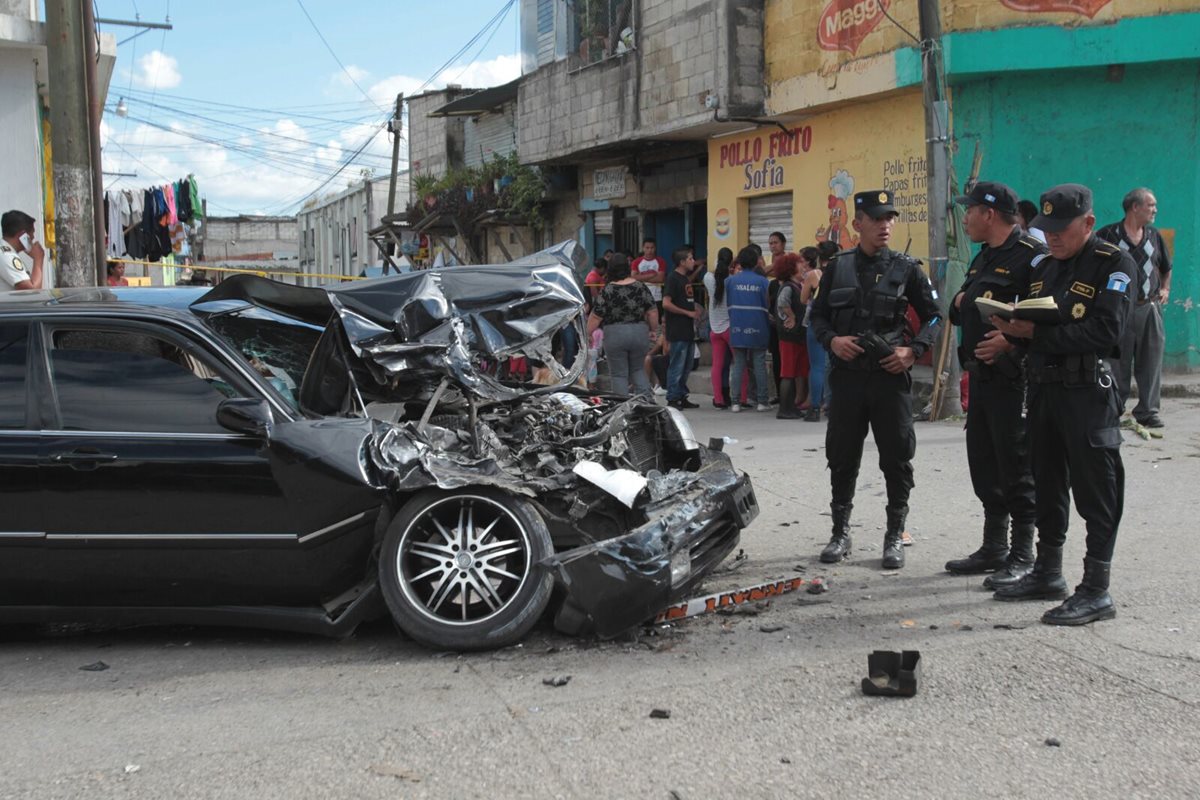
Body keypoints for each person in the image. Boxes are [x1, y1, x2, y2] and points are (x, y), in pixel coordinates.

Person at [990, 183, 1134, 626]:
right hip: (1045, 390)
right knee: (1048, 481)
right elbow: (1037, 323)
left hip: (1088, 392)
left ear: (1088, 223)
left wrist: (1035, 336)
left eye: (1061, 228)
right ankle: (1048, 571)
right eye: (1045, 228)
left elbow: (1106, 332)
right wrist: (1011, 335)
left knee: (1097, 490)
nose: (1051, 236)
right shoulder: (1045, 268)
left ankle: (1096, 590)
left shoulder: (1114, 264)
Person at [809, 190, 941, 570]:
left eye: (890, 218)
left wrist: (912, 351)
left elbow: (934, 316)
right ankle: (840, 533)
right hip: (849, 380)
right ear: (858, 224)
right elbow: (817, 317)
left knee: (898, 458)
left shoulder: (908, 268)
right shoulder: (837, 267)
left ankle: (893, 535)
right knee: (841, 457)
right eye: (877, 218)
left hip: (888, 381)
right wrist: (832, 340)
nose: (885, 225)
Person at [944, 181, 1044, 588]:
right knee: (985, 464)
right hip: (981, 380)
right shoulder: (984, 257)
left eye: (969, 211)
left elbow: (1043, 317)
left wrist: (1011, 339)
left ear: (989, 214)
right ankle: (994, 547)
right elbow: (962, 309)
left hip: (1013, 380)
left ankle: (1023, 553)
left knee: (1017, 466)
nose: (964, 218)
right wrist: (958, 304)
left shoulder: (1032, 259)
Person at [1097, 187, 1170, 429]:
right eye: (1151, 205)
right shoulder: (1108, 234)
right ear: (1134, 207)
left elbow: (1165, 267)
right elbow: (1092, 268)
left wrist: (1165, 289)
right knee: (1117, 362)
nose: (1155, 210)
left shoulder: (1154, 235)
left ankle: (1148, 411)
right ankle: (1114, 408)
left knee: (1151, 361)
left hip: (1148, 307)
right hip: (1118, 310)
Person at [587, 254, 658, 396]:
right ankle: (646, 404)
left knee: (619, 374)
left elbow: (596, 316)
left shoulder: (607, 290)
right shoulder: (640, 287)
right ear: (627, 267)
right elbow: (652, 312)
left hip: (615, 334)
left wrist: (587, 333)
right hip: (639, 332)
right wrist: (653, 329)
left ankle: (622, 408)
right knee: (638, 370)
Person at [726, 246, 771, 413]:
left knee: (738, 364)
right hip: (759, 325)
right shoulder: (763, 282)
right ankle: (762, 402)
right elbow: (768, 303)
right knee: (759, 363)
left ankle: (735, 403)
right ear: (755, 262)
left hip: (737, 325)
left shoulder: (729, 281)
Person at [662, 246, 699, 409]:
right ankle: (672, 397)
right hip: (677, 329)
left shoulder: (686, 279)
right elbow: (666, 303)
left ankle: (682, 394)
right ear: (682, 262)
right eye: (690, 259)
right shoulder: (673, 278)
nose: (693, 261)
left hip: (688, 330)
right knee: (677, 365)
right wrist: (687, 313)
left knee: (687, 365)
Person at [773, 252, 809, 419]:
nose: (803, 267)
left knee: (794, 372)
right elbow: (782, 304)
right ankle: (785, 409)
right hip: (789, 337)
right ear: (790, 268)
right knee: (788, 373)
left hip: (797, 336)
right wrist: (792, 316)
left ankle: (790, 407)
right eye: (799, 264)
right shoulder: (788, 287)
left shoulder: (797, 286)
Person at [704, 247, 738, 409]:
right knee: (739, 363)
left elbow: (713, 273)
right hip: (730, 327)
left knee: (717, 365)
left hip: (715, 328)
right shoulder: (732, 280)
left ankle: (718, 399)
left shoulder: (708, 278)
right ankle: (740, 397)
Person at [799, 246, 827, 422]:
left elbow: (803, 299)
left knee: (816, 366)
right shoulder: (832, 272)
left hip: (815, 323)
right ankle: (830, 404)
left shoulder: (812, 275)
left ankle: (814, 407)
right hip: (833, 323)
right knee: (829, 366)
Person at [1, 210, 46, 291]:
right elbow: (32, 293)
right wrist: (38, 258)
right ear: (23, 235)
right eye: (32, 233)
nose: (33, 238)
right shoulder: (7, 256)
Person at [631, 237, 667, 311]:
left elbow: (660, 279)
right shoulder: (636, 262)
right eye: (647, 248)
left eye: (652, 248)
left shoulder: (661, 261)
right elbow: (633, 278)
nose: (649, 250)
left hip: (656, 297)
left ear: (655, 248)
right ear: (643, 248)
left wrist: (641, 277)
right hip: (640, 296)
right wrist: (651, 275)